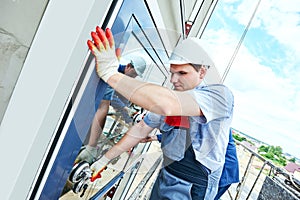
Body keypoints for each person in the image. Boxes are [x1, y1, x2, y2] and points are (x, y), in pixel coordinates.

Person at [86, 27, 234, 199]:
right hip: (168, 173)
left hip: (195, 184)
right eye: (172, 73)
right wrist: (104, 160)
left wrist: (110, 74)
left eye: (182, 73)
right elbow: (141, 128)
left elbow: (167, 105)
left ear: (202, 72)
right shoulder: (173, 96)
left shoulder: (220, 96)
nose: (173, 80)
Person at [75, 53, 146, 164]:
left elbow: (122, 99)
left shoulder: (120, 77)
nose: (133, 77)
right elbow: (108, 99)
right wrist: (126, 109)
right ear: (128, 66)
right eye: (133, 74)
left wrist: (129, 117)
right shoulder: (113, 73)